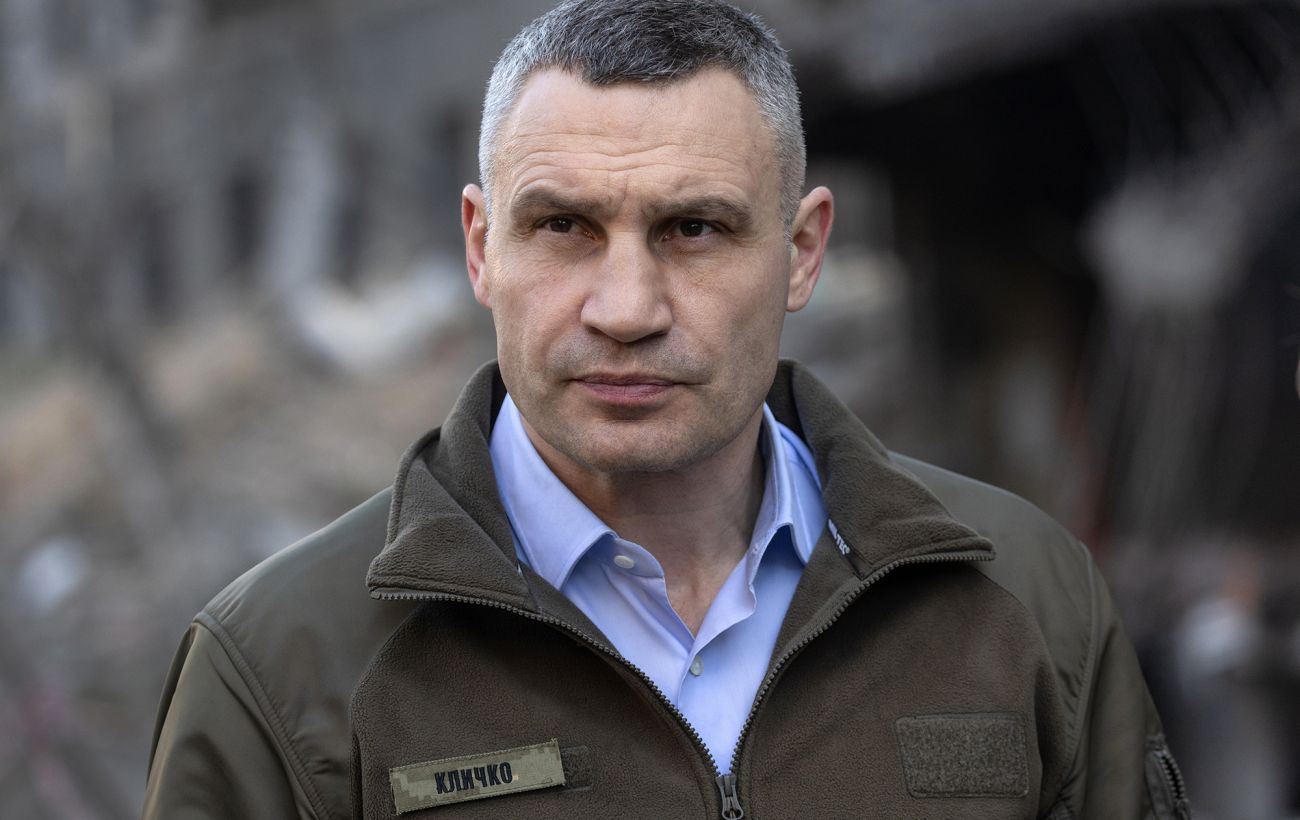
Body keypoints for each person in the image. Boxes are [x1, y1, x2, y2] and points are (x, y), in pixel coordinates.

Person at [142, 1, 1189, 817]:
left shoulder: (1023, 599)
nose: (627, 309)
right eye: (563, 227)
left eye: (694, 229)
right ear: (480, 247)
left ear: (802, 252)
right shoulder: (282, 668)